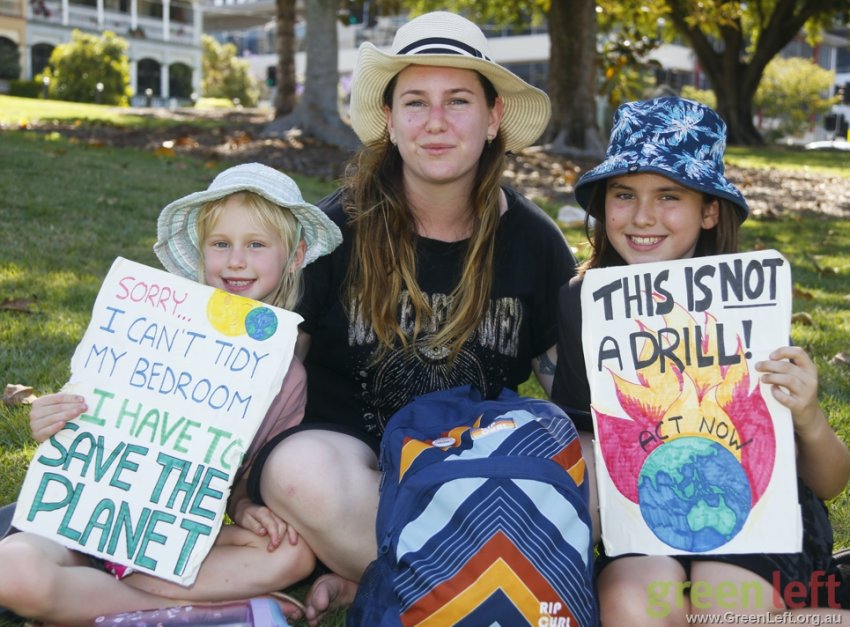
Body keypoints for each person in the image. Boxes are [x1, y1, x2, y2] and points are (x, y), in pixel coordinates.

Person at [245, 11, 577, 624]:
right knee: (294, 470)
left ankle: (369, 577)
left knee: (579, 449)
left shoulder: (535, 243)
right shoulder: (331, 232)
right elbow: (267, 375)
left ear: (493, 116)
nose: (437, 124)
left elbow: (573, 401)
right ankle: (476, 585)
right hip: (353, 477)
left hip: (474, 476)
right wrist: (238, 497)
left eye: (458, 101)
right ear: (391, 122)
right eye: (416, 103)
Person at [0, 163, 342, 626]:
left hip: (168, 537)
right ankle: (209, 610)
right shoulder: (149, 326)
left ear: (295, 255)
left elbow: (243, 474)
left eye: (256, 245)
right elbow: (83, 413)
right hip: (81, 519)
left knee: (292, 555)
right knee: (12, 574)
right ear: (202, 252)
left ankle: (85, 597)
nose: (236, 260)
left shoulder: (287, 377)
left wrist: (243, 506)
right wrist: (49, 418)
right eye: (221, 244)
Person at [550, 96, 850, 623]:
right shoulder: (584, 304)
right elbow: (586, 443)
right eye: (624, 194)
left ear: (709, 210)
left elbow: (830, 482)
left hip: (760, 525)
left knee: (719, 601)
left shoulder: (754, 302)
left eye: (669, 196)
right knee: (628, 598)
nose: (643, 216)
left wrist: (808, 416)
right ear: (604, 205)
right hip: (645, 522)